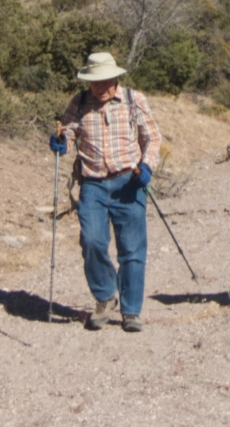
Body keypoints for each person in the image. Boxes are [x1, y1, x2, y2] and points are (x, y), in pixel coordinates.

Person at [51, 51, 163, 332]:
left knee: (132, 249)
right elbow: (68, 133)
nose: (99, 87)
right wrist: (60, 141)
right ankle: (104, 297)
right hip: (93, 185)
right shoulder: (79, 103)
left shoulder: (133, 100)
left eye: (103, 81)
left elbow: (152, 137)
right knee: (92, 241)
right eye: (94, 82)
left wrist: (146, 166)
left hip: (129, 183)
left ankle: (131, 311)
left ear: (115, 79)